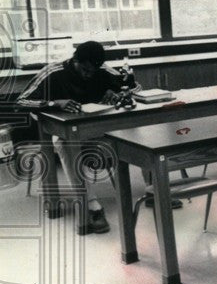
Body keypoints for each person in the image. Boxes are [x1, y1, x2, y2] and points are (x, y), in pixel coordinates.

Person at [17, 40, 137, 235]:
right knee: (65, 143)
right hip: (64, 131)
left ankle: (152, 190)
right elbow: (21, 101)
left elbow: (134, 86)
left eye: (93, 71)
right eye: (84, 69)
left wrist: (115, 92)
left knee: (138, 128)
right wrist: (54, 103)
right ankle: (93, 207)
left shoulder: (101, 70)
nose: (88, 75)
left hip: (95, 126)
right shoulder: (54, 72)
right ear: (75, 60)